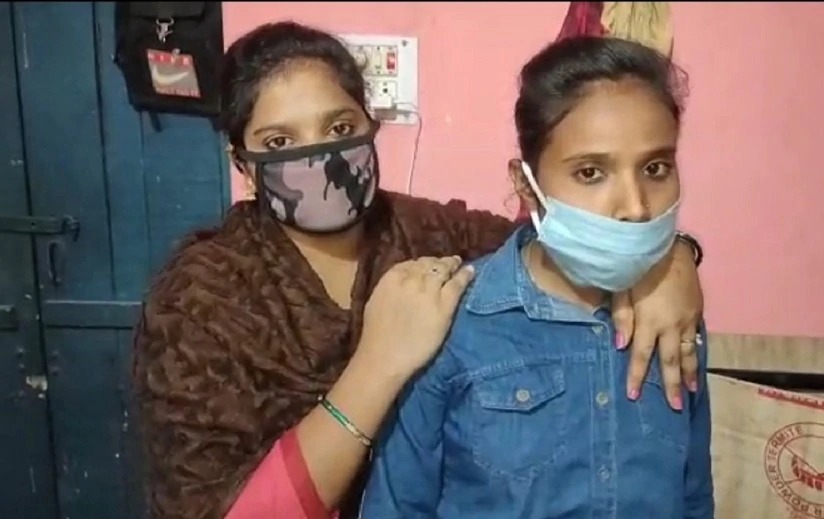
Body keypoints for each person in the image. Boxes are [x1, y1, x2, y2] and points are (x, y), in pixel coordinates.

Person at [131, 22, 706, 519]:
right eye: (280, 140)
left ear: (370, 124)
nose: (320, 158)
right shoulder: (202, 298)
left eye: (339, 128)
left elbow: (557, 236)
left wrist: (671, 261)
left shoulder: (429, 234)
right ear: (243, 164)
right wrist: (377, 365)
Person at [361, 36, 714, 518]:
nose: (635, 207)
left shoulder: (674, 316)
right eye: (591, 173)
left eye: (655, 168)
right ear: (525, 184)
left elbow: (694, 498)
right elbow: (397, 506)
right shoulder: (454, 324)